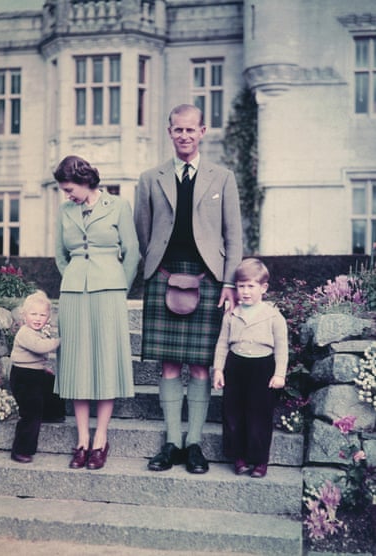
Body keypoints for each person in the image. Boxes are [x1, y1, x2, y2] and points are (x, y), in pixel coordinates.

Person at [134, 104, 243, 474]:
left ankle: (194, 444)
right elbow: (143, 231)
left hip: (208, 278)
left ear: (202, 131)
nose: (184, 135)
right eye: (178, 130)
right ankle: (170, 443)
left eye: (190, 130)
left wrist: (229, 282)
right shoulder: (150, 178)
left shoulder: (223, 177)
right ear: (169, 131)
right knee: (168, 365)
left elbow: (234, 235)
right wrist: (154, 270)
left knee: (199, 366)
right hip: (164, 274)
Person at [54, 155, 139, 470]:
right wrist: (75, 277)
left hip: (109, 292)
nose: (67, 194)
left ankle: (101, 438)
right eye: (64, 190)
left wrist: (119, 287)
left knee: (104, 361)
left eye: (69, 188)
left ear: (86, 180)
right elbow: (60, 255)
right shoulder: (64, 211)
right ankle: (82, 440)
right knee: (77, 364)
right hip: (74, 293)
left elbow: (132, 253)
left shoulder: (118, 206)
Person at [213, 258, 288, 478]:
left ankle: (260, 460)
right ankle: (239, 457)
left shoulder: (273, 316)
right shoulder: (231, 315)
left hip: (262, 368)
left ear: (263, 288)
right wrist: (218, 370)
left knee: (259, 415)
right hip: (236, 367)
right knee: (233, 414)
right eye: (241, 286)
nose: (245, 292)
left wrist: (279, 374)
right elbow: (222, 343)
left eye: (251, 286)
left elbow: (282, 348)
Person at [10, 290, 63, 463]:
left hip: (35, 373)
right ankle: (21, 449)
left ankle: (52, 413)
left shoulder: (38, 330)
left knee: (52, 384)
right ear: (24, 316)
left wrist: (42, 368)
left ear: (48, 318)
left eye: (42, 315)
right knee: (30, 412)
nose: (38, 318)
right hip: (23, 377)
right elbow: (39, 347)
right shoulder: (25, 332)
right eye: (33, 314)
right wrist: (59, 341)